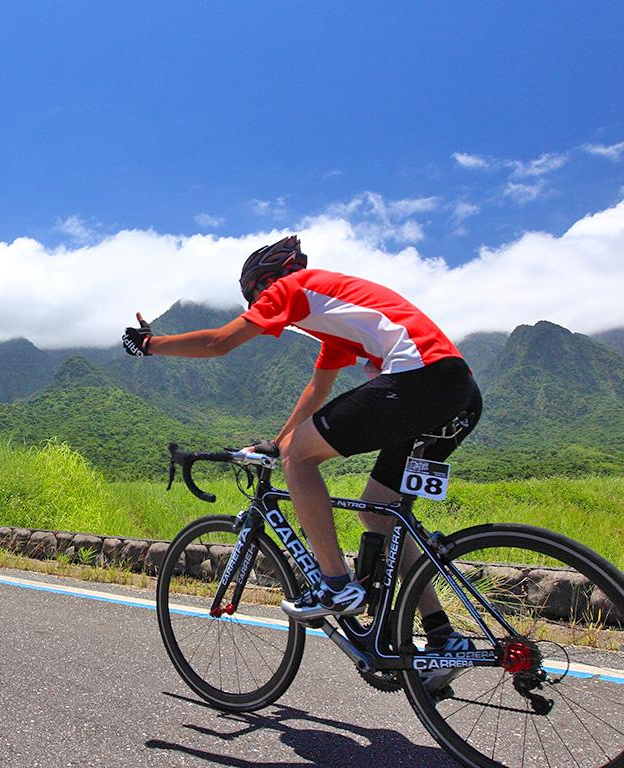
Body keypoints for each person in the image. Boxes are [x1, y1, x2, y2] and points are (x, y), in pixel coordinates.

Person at [123, 235, 482, 684]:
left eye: (256, 298)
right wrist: (278, 442)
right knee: (378, 512)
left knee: (301, 459)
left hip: (420, 381)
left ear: (267, 282)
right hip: (458, 395)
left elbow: (218, 343)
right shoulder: (334, 320)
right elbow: (318, 390)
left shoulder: (291, 289)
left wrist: (150, 344)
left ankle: (335, 584)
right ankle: (444, 636)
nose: (260, 307)